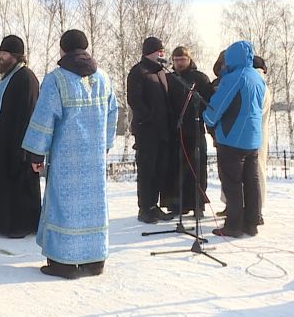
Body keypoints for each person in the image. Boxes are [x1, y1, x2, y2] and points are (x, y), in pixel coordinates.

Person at [22, 30, 117, 279]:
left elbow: (44, 117)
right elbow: (112, 113)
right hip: (94, 159)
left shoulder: (57, 79)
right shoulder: (104, 78)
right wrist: (105, 145)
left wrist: (36, 154)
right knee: (94, 205)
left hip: (66, 159)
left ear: (63, 50)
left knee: (64, 206)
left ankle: (63, 263)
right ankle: (95, 260)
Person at [203, 41, 266, 237]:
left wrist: (208, 118)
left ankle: (233, 225)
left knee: (232, 183)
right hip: (253, 138)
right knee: (251, 181)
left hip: (232, 138)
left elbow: (217, 106)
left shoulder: (234, 78)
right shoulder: (257, 77)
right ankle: (251, 223)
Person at [0, 35, 41, 238]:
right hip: (3, 143)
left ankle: (20, 225)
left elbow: (28, 113)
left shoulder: (26, 78)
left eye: (4, 54)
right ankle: (0, 223)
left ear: (15, 56)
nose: (0, 57)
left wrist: (22, 147)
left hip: (19, 144)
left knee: (19, 185)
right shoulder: (7, 78)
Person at [127, 37, 174, 224]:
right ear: (149, 52)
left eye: (163, 51)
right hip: (146, 131)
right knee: (147, 171)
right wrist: (148, 117)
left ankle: (154, 206)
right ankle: (144, 208)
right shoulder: (139, 71)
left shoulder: (161, 72)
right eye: (159, 51)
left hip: (163, 131)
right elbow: (134, 100)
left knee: (159, 169)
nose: (162, 54)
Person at [166, 47, 215, 217]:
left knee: (197, 168)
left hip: (195, 129)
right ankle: (179, 203)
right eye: (176, 60)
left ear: (189, 59)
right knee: (177, 169)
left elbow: (209, 102)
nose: (179, 63)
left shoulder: (200, 78)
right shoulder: (170, 78)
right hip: (176, 131)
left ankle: (198, 204)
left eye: (182, 59)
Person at [252, 55, 272, 225]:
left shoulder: (256, 83)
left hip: (253, 134)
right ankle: (255, 208)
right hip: (257, 133)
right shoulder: (262, 83)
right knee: (257, 170)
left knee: (256, 171)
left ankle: (256, 208)